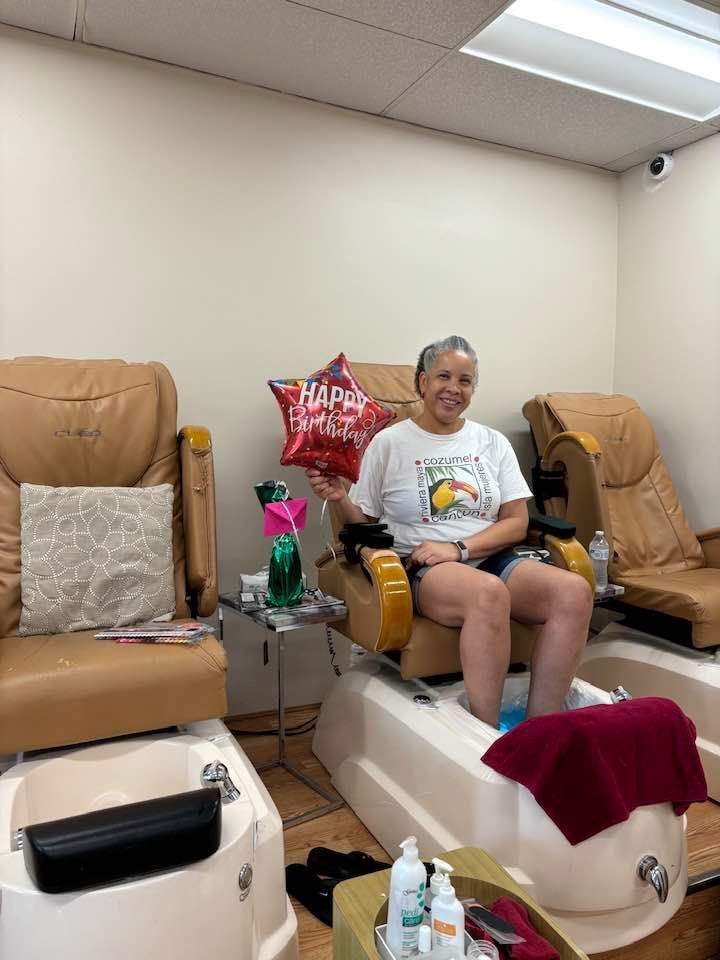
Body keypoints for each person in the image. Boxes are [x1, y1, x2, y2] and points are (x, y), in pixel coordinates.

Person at [306, 336, 593, 727]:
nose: (453, 389)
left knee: (573, 591)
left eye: (465, 380)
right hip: (423, 567)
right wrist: (340, 497)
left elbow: (516, 522)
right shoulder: (388, 444)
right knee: (487, 594)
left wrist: (459, 547)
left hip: (489, 555)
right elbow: (363, 526)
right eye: (443, 376)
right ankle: (487, 734)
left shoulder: (492, 442)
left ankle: (539, 729)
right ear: (422, 382)